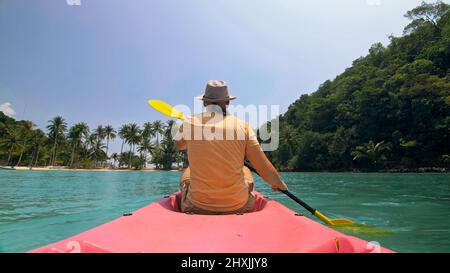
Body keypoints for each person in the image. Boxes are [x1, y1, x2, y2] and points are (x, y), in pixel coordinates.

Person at [175, 80, 288, 214]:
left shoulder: (189, 122)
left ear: (205, 103)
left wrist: (185, 127)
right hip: (239, 205)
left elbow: (179, 145)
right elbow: (262, 165)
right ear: (227, 103)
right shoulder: (243, 126)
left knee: (188, 171)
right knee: (245, 169)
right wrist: (278, 183)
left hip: (197, 206)